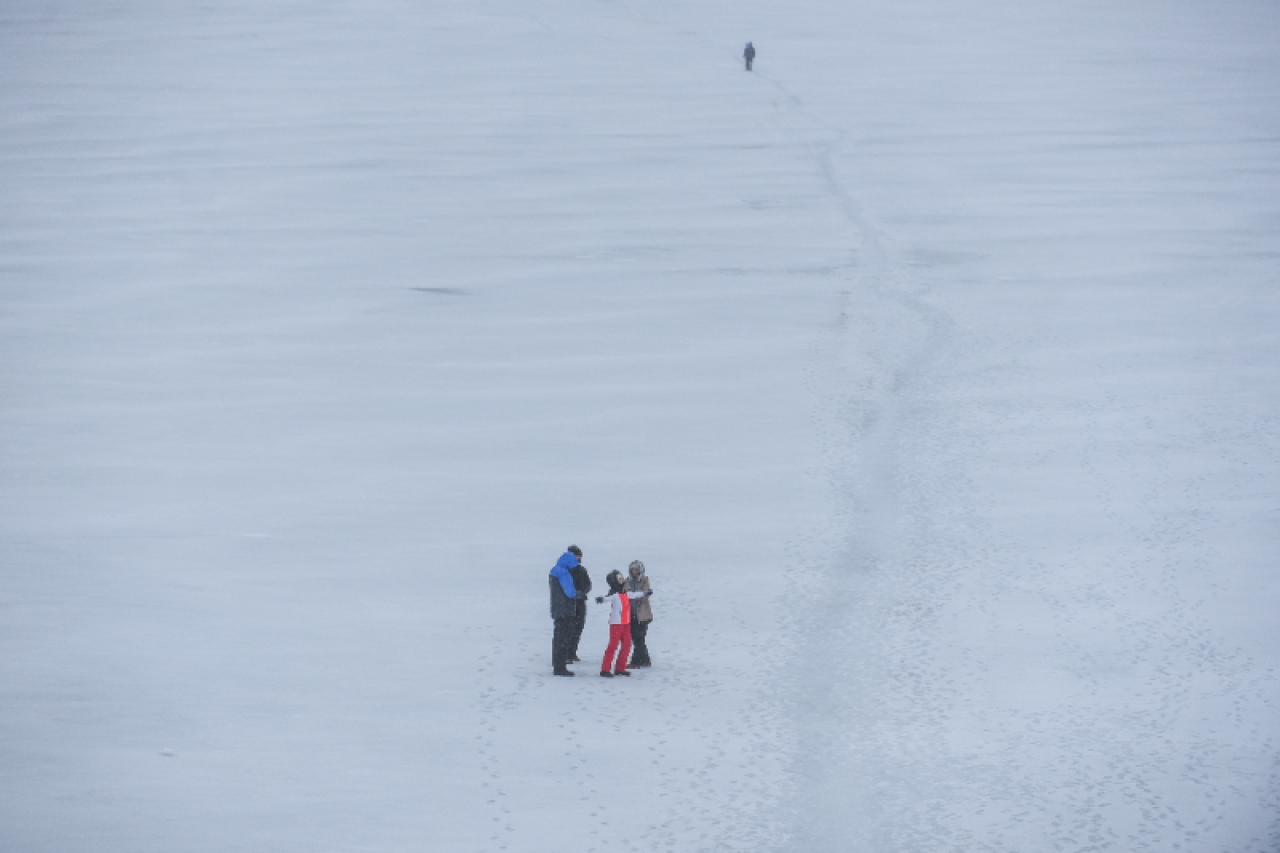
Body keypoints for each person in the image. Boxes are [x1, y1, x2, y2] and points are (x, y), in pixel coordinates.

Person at [595, 570, 653, 677]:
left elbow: (635, 594)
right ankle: (605, 669)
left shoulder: (626, 593)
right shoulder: (615, 594)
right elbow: (606, 599)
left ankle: (620, 668)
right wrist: (600, 599)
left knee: (627, 645)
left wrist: (645, 592)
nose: (623, 580)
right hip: (616, 624)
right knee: (613, 646)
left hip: (626, 623)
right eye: (620, 579)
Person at [548, 546, 581, 676]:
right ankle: (560, 667)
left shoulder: (555, 570)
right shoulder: (564, 573)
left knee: (557, 637)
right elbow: (570, 592)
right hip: (565, 610)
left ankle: (557, 664)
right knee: (562, 639)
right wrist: (580, 594)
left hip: (557, 608)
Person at [625, 560, 654, 667]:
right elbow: (626, 593)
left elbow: (645, 592)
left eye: (636, 570)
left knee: (639, 638)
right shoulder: (628, 581)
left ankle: (635, 661)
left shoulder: (644, 580)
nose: (634, 572)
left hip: (642, 615)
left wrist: (637, 594)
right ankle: (645, 659)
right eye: (632, 570)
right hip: (631, 614)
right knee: (636, 638)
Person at [568, 556, 593, 664]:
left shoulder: (582, 570)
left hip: (581, 601)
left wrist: (582, 592)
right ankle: (567, 653)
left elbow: (588, 585)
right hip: (569, 602)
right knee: (569, 628)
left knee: (579, 627)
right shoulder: (566, 570)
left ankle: (573, 652)